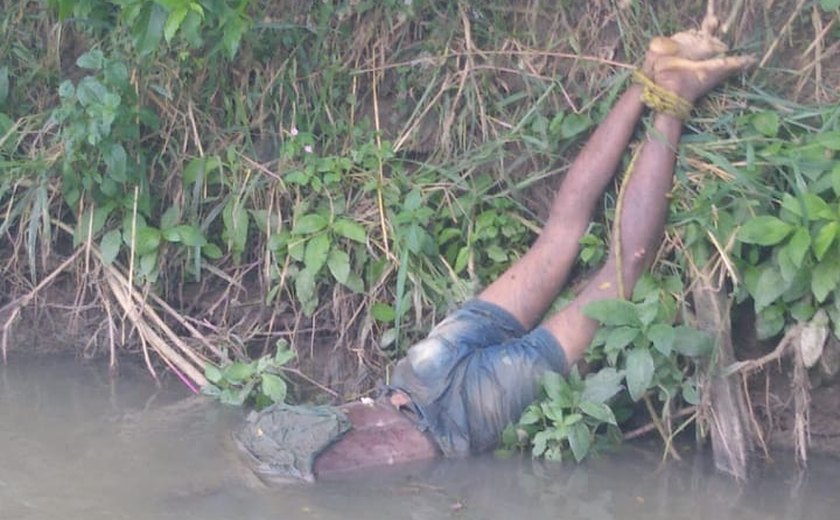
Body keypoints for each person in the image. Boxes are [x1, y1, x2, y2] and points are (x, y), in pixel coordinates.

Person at [235, 24, 756, 483]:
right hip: (417, 374)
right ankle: (650, 75)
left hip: (464, 414)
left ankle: (673, 96)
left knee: (623, 270)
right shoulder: (254, 448)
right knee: (558, 236)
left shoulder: (281, 480)